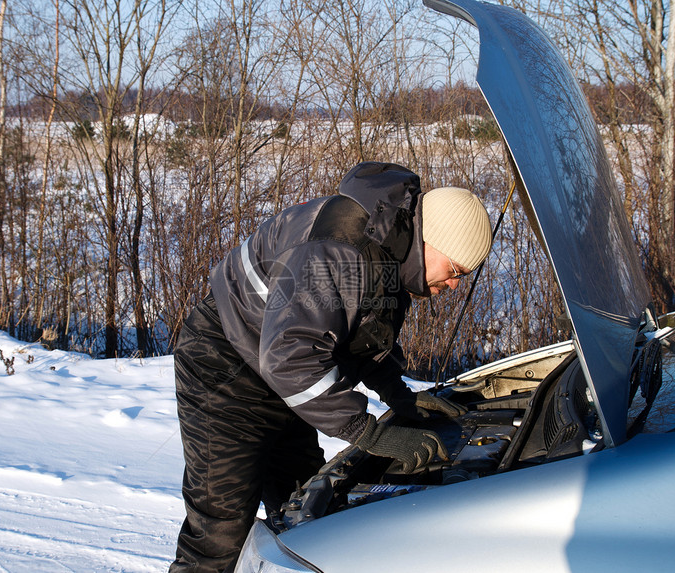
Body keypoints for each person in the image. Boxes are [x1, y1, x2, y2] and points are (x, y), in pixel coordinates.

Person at [170, 161, 492, 573]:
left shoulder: (391, 250)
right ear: (433, 241)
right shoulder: (340, 250)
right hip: (227, 365)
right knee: (222, 526)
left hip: (282, 374)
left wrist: (399, 395)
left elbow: (358, 335)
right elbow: (290, 357)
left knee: (305, 510)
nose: (454, 285)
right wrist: (369, 433)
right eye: (455, 271)